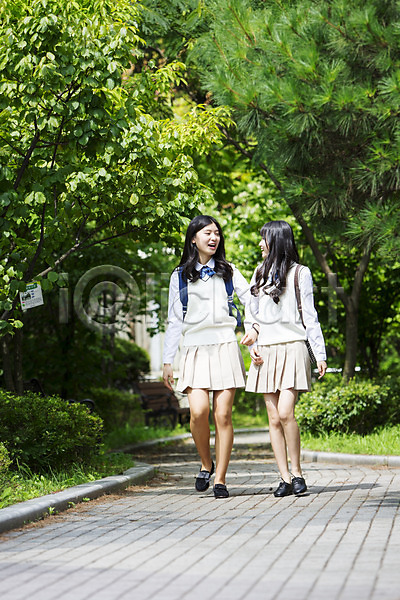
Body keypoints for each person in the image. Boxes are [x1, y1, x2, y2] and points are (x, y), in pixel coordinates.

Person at [163, 215, 257, 499]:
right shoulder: (179, 275)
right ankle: (206, 463)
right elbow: (174, 320)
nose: (214, 238)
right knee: (198, 413)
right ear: (194, 238)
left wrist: (252, 326)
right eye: (208, 233)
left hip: (225, 345)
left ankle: (220, 479)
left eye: (217, 233)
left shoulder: (228, 270)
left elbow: (250, 298)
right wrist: (168, 360)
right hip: (193, 347)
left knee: (223, 415)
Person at [241, 220, 327, 497]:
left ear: (276, 241)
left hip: (293, 347)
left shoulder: (301, 273)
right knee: (273, 417)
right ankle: (284, 477)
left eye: (263, 239)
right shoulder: (259, 272)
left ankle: (298, 472)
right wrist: (252, 336)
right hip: (266, 351)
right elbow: (253, 315)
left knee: (285, 412)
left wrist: (320, 353)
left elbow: (310, 316)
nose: (259, 244)